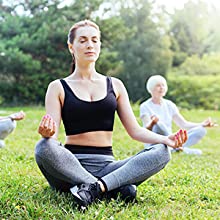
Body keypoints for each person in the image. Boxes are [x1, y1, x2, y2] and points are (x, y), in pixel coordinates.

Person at [35, 20, 187, 209]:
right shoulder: (57, 87)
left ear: (99, 45)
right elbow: (53, 137)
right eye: (82, 40)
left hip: (108, 166)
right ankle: (112, 187)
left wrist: (167, 139)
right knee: (43, 147)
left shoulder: (115, 85)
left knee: (162, 151)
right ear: (71, 47)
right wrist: (47, 134)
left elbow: (135, 131)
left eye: (94, 40)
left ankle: (94, 189)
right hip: (70, 168)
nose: (90, 45)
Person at [140, 75, 217, 155]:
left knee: (201, 130)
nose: (161, 88)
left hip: (171, 138)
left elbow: (183, 124)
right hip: (155, 142)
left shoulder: (170, 105)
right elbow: (146, 128)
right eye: (158, 85)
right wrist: (153, 122)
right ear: (151, 88)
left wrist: (202, 124)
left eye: (163, 85)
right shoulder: (145, 106)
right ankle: (176, 147)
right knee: (158, 124)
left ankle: (174, 146)